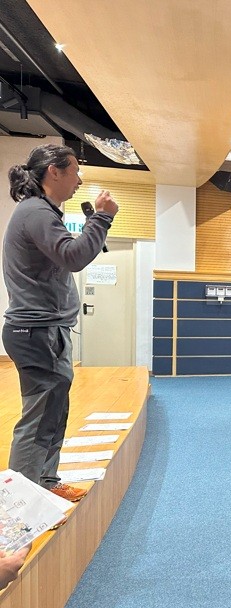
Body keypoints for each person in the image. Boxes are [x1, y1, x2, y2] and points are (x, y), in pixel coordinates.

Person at [3, 144, 118, 501]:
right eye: (75, 172)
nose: (79, 181)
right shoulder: (36, 212)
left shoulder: (41, 211)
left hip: (46, 329)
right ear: (54, 171)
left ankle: (46, 484)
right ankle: (22, 504)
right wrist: (102, 218)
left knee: (53, 412)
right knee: (39, 419)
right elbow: (74, 257)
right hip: (36, 331)